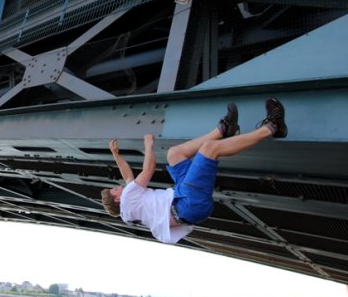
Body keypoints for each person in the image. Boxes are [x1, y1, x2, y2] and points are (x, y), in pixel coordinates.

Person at [101, 97, 288, 244]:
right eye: (114, 189)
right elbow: (148, 169)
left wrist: (116, 155)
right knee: (210, 149)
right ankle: (272, 127)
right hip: (186, 204)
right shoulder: (127, 198)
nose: (118, 187)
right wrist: (148, 145)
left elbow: (128, 177)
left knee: (174, 155)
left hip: (183, 203)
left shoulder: (128, 212)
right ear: (117, 198)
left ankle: (224, 129)